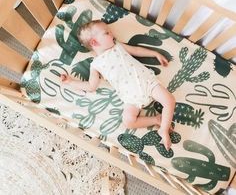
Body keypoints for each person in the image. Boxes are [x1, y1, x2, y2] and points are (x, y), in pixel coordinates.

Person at [61, 20, 176, 150]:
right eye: (107, 33)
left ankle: (163, 130)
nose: (112, 34)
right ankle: (156, 120)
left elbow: (136, 50)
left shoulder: (118, 46)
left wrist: (155, 54)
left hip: (147, 83)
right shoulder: (96, 65)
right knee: (128, 121)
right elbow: (91, 86)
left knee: (170, 100)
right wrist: (70, 82)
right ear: (94, 42)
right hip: (131, 98)